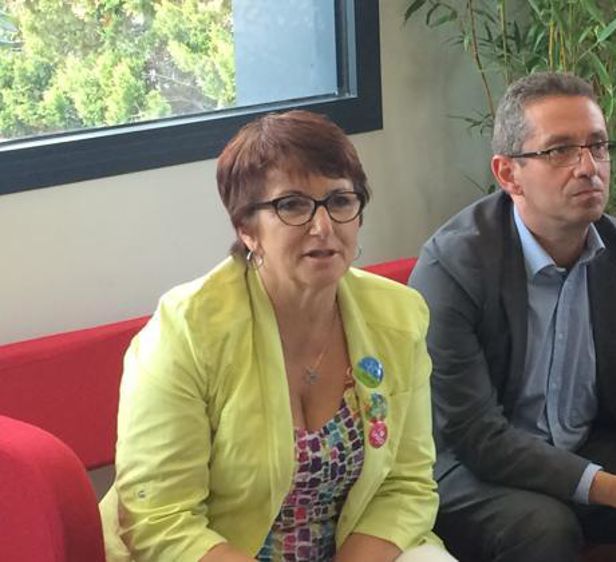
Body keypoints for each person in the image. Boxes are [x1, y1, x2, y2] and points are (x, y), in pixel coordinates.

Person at [409, 71, 616, 562]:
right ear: (508, 174)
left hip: (584, 449)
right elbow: (478, 436)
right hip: (472, 472)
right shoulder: (454, 266)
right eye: (559, 150)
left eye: (599, 146)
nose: (588, 167)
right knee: (543, 528)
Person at [98, 110, 454, 562]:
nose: (323, 226)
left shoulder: (398, 315)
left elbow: (407, 482)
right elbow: (161, 519)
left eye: (340, 201)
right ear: (247, 229)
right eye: (292, 205)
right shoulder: (186, 330)